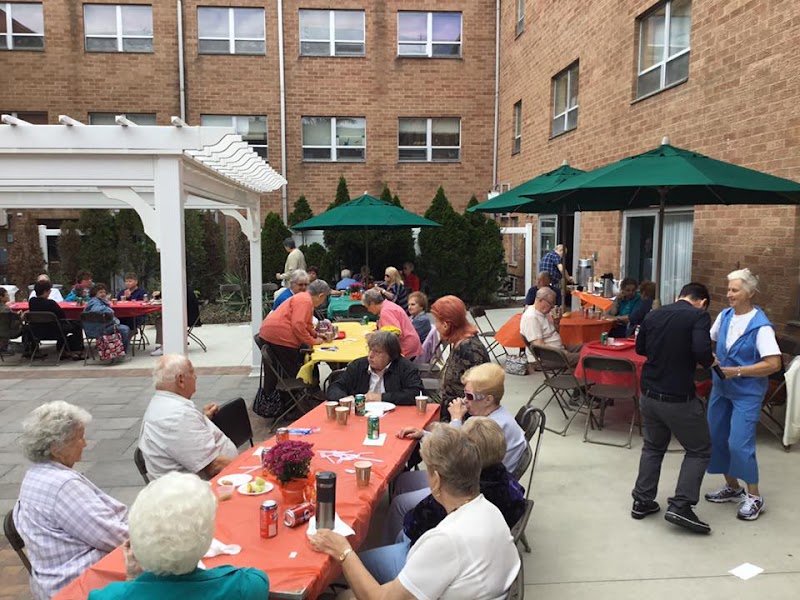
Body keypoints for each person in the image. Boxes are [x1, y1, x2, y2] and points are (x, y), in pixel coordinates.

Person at [309, 425, 520, 600]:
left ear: (436, 480)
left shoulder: (446, 539)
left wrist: (343, 552)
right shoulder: (489, 510)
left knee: (344, 593)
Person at [359, 417, 525, 584]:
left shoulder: (455, 512)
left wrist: (345, 553)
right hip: (472, 565)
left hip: (424, 563)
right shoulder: (503, 488)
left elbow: (418, 529)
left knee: (357, 565)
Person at [88, 472, 269, 600]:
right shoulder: (245, 585)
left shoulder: (106, 596)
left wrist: (133, 579)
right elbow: (257, 579)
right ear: (205, 540)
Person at [14, 401, 128, 600]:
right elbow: (113, 536)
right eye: (79, 438)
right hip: (74, 583)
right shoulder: (62, 485)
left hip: (50, 579)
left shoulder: (34, 475)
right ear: (56, 449)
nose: (85, 443)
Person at [631, 282, 715, 534]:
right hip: (678, 397)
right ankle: (681, 505)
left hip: (648, 393)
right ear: (702, 301)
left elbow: (640, 348)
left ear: (680, 296)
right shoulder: (699, 315)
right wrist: (710, 361)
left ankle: (642, 501)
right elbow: (701, 349)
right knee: (699, 449)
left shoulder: (654, 313)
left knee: (653, 447)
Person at [704, 268, 781, 521]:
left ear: (750, 293)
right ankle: (732, 487)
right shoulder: (725, 316)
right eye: (728, 289)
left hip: (746, 393)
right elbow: (707, 340)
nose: (729, 294)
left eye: (734, 290)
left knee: (739, 444)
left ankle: (755, 496)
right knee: (716, 438)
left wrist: (738, 371)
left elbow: (773, 364)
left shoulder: (761, 327)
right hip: (721, 389)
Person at [139, 354, 238, 479]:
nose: (195, 377)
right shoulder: (177, 416)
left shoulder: (163, 403)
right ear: (180, 380)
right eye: (192, 373)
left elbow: (184, 434)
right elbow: (214, 466)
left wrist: (203, 418)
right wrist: (250, 468)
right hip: (201, 490)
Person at [446, 363, 527, 472]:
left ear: (488, 400)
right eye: (464, 394)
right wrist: (424, 435)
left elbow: (454, 458)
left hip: (482, 484)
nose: (464, 400)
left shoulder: (490, 428)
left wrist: (456, 419)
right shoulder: (497, 415)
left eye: (469, 396)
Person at [326, 330, 423, 406]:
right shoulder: (358, 365)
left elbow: (416, 393)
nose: (370, 355)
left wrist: (381, 397)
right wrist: (344, 399)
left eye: (377, 352)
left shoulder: (406, 368)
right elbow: (335, 387)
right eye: (370, 350)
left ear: (391, 355)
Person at [430, 295, 490, 418]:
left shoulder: (469, 350)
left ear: (446, 324)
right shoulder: (459, 343)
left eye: (437, 321)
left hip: (464, 422)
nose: (435, 326)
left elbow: (478, 397)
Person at [259, 279, 330, 377]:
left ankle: (310, 384)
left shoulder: (305, 298)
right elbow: (298, 325)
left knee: (305, 353)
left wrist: (316, 335)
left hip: (270, 332)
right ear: (321, 295)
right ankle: (299, 384)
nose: (323, 302)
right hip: (278, 336)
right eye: (324, 298)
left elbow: (307, 324)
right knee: (296, 364)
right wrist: (312, 341)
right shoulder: (306, 301)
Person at [520, 287, 580, 366]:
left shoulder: (543, 313)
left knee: (588, 348)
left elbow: (554, 333)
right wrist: (561, 353)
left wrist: (556, 322)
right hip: (548, 357)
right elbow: (538, 346)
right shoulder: (531, 317)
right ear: (540, 300)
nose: (552, 307)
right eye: (551, 303)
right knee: (587, 357)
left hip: (557, 350)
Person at [29, 280, 85, 359]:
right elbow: (62, 316)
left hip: (37, 331)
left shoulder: (32, 302)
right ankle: (76, 351)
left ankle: (34, 351)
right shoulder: (51, 303)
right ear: (46, 291)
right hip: (54, 331)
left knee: (63, 325)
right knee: (77, 325)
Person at [363, 288, 421, 359]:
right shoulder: (388, 304)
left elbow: (392, 336)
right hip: (410, 344)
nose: (368, 310)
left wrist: (374, 337)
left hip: (406, 348)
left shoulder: (386, 312)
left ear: (372, 304)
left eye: (367, 307)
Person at [150, 285, 201, 357]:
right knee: (161, 319)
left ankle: (163, 347)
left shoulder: (178, 288)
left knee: (160, 321)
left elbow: (171, 301)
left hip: (186, 318)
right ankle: (164, 344)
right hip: (190, 316)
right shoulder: (182, 286)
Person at [82, 283, 131, 355]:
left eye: (104, 292)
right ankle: (122, 352)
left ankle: (118, 350)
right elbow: (96, 309)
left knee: (122, 327)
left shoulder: (96, 301)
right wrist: (110, 310)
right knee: (125, 329)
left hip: (95, 328)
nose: (103, 294)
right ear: (95, 293)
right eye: (100, 292)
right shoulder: (94, 302)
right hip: (99, 329)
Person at [0, 287, 23, 352]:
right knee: (27, 328)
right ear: (1, 297)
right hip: (10, 332)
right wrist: (21, 316)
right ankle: (29, 349)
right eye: (7, 294)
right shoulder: (7, 310)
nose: (9, 296)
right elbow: (14, 323)